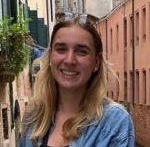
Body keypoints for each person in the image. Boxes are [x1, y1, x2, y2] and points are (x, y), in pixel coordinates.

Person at [18, 12, 135, 147]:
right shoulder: (33, 117)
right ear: (50, 57)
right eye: (61, 49)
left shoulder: (115, 123)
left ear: (96, 62)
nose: (69, 60)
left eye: (81, 51)